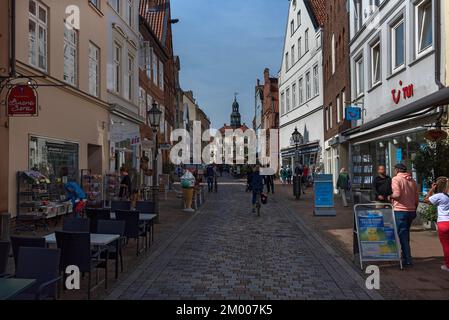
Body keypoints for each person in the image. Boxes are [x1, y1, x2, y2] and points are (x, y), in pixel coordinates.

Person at [391, 163, 419, 267]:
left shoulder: (396, 179)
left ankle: (407, 259)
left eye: (395, 169)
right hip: (411, 211)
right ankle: (405, 255)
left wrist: (389, 196)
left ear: (397, 170)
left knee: (402, 235)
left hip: (400, 211)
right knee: (405, 234)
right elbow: (416, 198)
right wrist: (414, 209)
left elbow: (397, 195)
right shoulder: (412, 180)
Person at [424, 177, 449, 272]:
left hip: (443, 223)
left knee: (446, 246)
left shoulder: (439, 196)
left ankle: (448, 265)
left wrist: (432, 189)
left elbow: (426, 200)